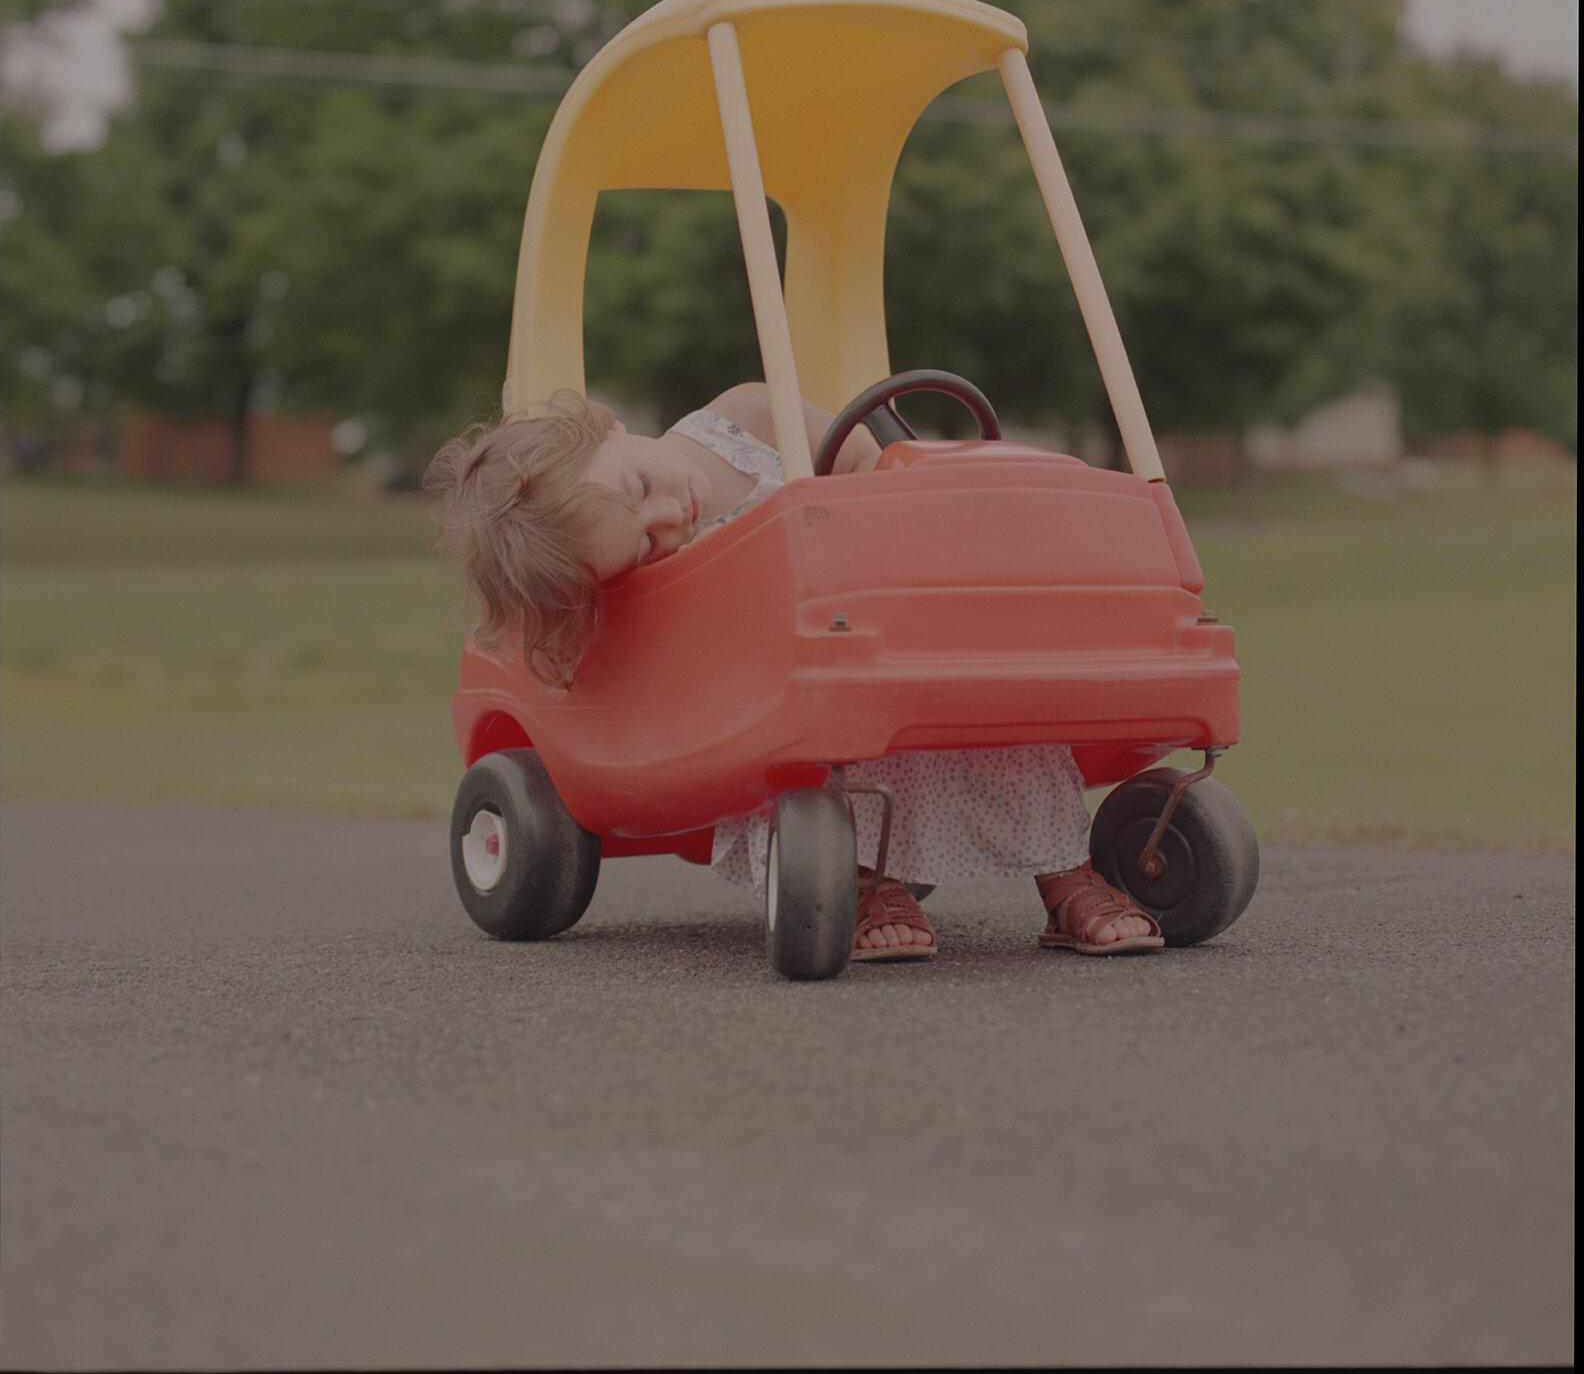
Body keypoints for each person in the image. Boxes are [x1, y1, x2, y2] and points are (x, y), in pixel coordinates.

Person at [427, 383, 1162, 963]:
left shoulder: (748, 415)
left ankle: (1066, 869)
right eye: (646, 544)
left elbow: (871, 466)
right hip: (781, 677)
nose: (670, 519)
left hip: (889, 599)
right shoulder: (666, 565)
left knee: (993, 691)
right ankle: (865, 882)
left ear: (611, 429)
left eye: (641, 486)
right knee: (834, 726)